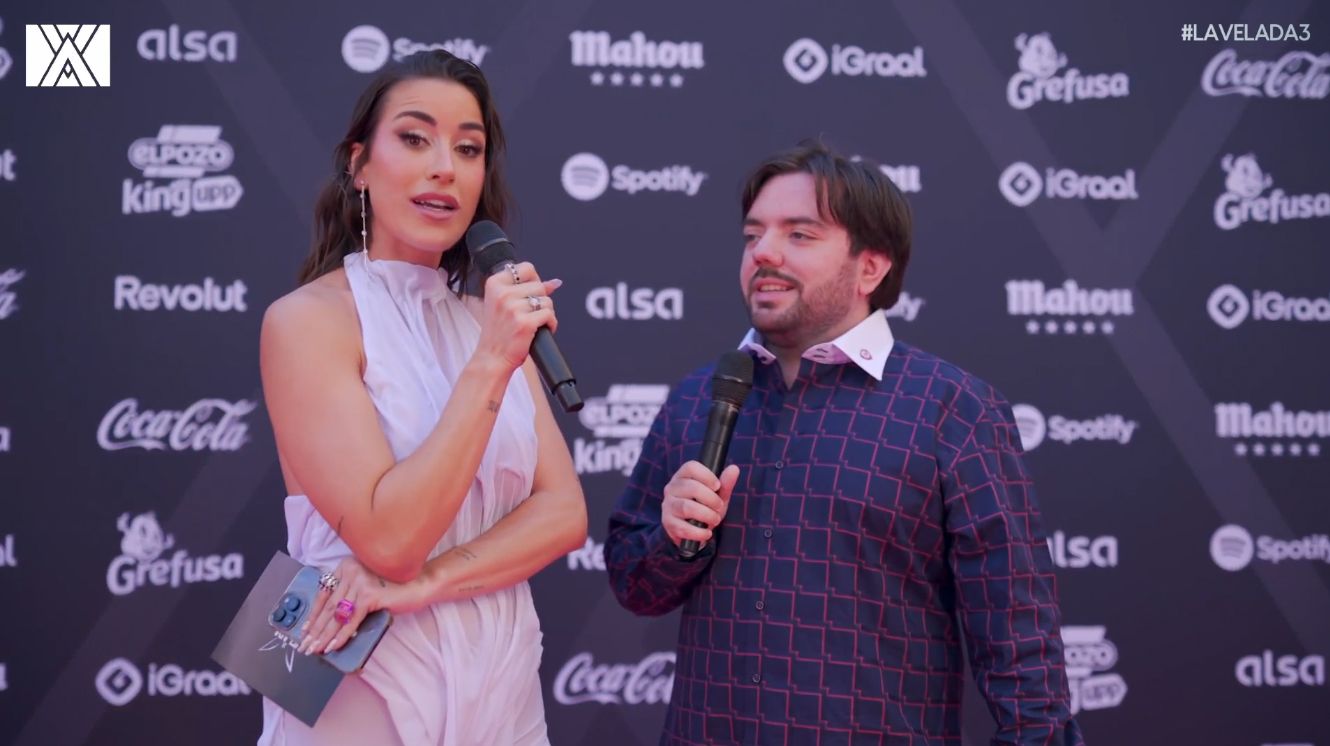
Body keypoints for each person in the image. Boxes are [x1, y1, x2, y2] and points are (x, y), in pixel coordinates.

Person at [605, 140, 1084, 744]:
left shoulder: (952, 409)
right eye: (754, 236)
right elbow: (633, 585)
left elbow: (1017, 637)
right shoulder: (698, 399)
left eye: (800, 235)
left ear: (871, 267)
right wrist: (674, 539)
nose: (764, 253)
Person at [257, 50, 586, 745]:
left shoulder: (489, 318)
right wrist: (493, 360)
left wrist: (427, 584)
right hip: (355, 676)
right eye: (414, 138)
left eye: (469, 148)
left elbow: (563, 514)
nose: (446, 166)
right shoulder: (307, 321)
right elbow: (392, 538)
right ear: (358, 164)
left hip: (503, 679)